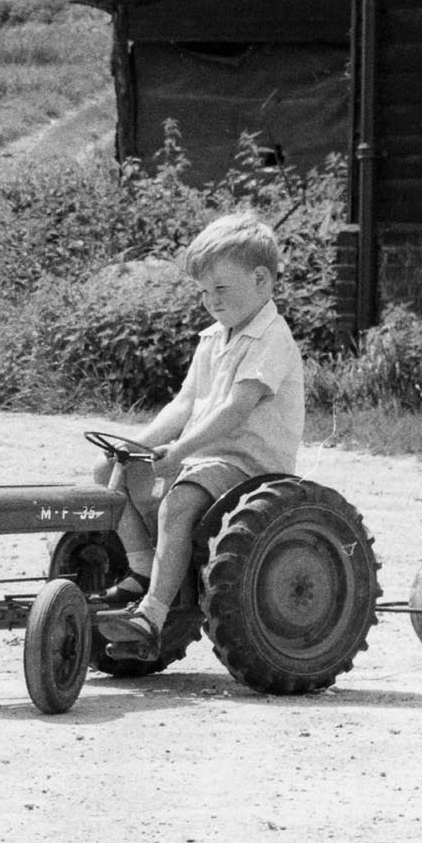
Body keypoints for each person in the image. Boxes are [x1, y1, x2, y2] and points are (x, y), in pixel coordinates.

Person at [93, 212, 306, 645]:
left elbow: (234, 409)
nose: (211, 300)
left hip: (247, 464)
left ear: (261, 280)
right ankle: (141, 569)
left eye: (222, 289)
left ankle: (153, 615)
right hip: (204, 456)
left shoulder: (271, 339)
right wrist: (139, 444)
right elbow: (186, 402)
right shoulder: (213, 337)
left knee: (177, 504)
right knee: (108, 476)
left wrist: (179, 449)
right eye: (204, 291)